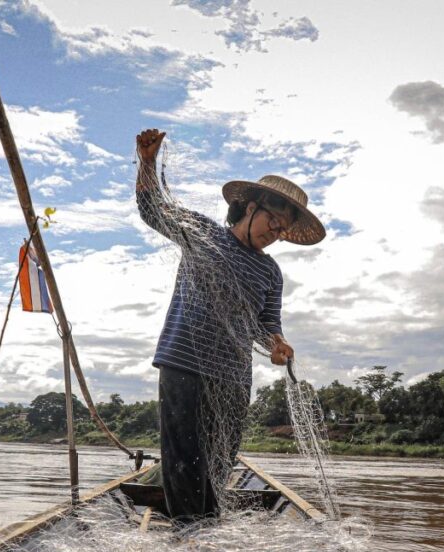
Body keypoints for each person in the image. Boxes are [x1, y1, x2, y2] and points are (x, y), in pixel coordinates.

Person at [135, 128, 326, 522]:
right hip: (185, 364)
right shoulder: (203, 234)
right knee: (184, 460)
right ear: (251, 207)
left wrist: (278, 343)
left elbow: (267, 322)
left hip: (234, 377)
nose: (274, 235)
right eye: (272, 223)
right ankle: (189, 538)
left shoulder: (270, 272)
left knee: (219, 461)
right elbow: (154, 210)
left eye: (281, 232)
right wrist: (147, 163)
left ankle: (204, 530)